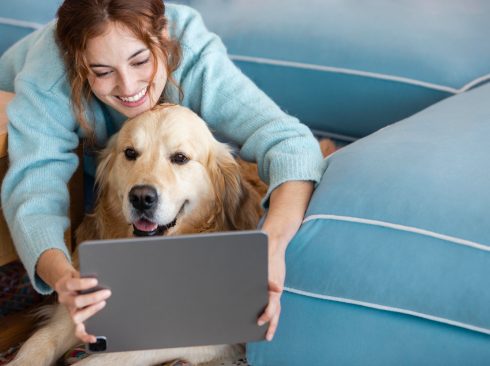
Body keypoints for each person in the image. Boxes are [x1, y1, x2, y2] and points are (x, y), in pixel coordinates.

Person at [0, 0, 325, 344]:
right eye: (102, 71)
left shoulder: (192, 52)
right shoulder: (47, 80)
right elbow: (34, 194)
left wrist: (270, 248)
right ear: (78, 63)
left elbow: (291, 143)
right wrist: (63, 279)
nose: (128, 88)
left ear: (164, 38)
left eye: (140, 61)